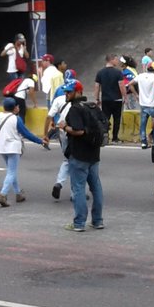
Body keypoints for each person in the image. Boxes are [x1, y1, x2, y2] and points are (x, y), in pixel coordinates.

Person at [62, 81, 105, 229]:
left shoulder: (75, 109)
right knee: (96, 188)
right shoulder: (92, 106)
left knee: (78, 188)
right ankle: (98, 221)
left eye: (69, 91)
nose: (66, 94)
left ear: (78, 92)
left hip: (79, 154)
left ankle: (79, 223)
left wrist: (64, 127)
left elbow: (78, 130)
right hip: (94, 153)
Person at [0, 95, 48, 207]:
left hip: (2, 147)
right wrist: (40, 141)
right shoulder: (16, 119)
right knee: (11, 172)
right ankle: (2, 194)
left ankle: (18, 193)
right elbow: (26, 133)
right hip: (13, 147)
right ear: (15, 108)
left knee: (10, 171)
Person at [94, 54, 125, 144]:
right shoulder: (118, 72)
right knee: (117, 119)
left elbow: (97, 86)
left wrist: (97, 98)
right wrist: (125, 96)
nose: (117, 61)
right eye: (116, 59)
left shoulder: (100, 72)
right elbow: (121, 85)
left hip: (105, 99)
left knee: (105, 119)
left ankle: (105, 136)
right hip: (117, 99)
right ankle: (115, 138)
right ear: (111, 60)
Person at [133, 61, 154, 148]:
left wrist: (136, 94)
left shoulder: (141, 76)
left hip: (143, 104)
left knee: (143, 124)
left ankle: (143, 142)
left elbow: (130, 84)